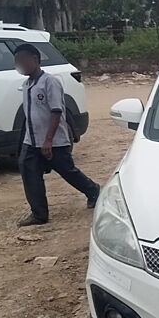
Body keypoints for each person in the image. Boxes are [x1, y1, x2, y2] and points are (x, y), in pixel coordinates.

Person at [14, 43, 100, 227]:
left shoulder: (50, 82)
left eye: (22, 60)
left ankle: (93, 191)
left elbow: (56, 111)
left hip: (53, 141)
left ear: (35, 60)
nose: (19, 64)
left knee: (67, 171)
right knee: (29, 173)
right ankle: (39, 214)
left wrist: (48, 140)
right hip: (32, 141)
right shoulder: (27, 84)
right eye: (17, 61)